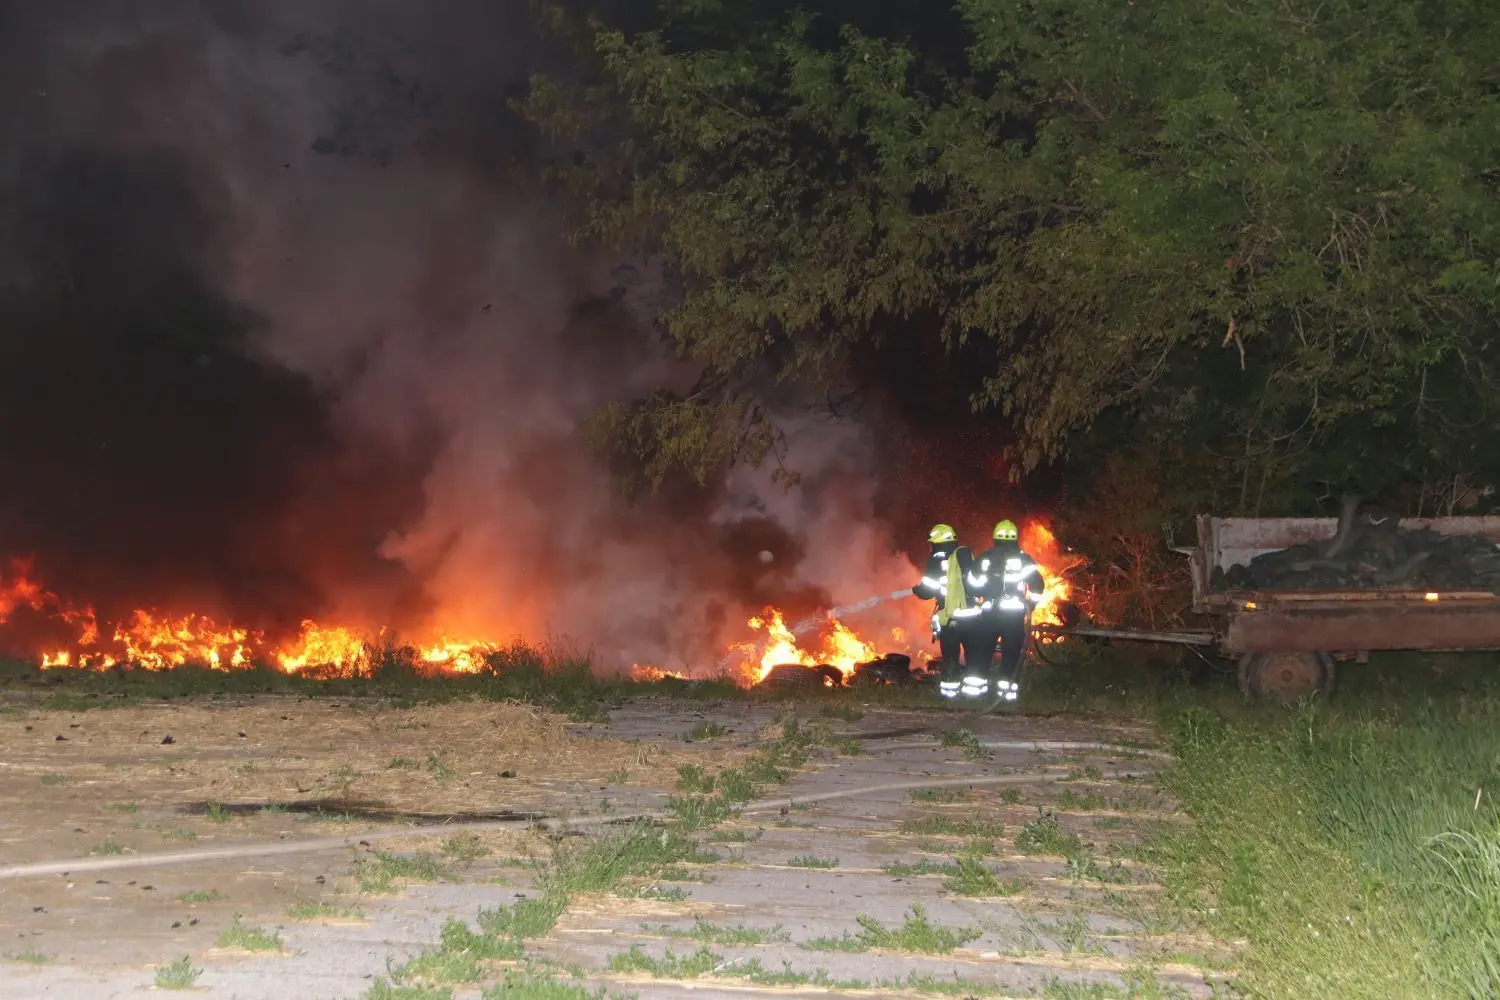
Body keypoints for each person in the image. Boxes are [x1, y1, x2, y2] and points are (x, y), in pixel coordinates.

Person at [969, 519, 1043, 702]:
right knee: (1011, 654)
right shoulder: (1024, 559)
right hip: (1013, 617)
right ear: (1015, 539)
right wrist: (1030, 605)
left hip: (989, 615)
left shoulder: (985, 557)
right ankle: (1006, 696)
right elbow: (1038, 586)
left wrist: (980, 594)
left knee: (981, 652)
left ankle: (974, 694)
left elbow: (971, 583)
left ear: (995, 538)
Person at [911, 523, 984, 699]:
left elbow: (927, 592)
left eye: (932, 543)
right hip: (972, 617)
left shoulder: (935, 562)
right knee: (973, 655)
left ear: (936, 543)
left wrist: (917, 590)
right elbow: (977, 586)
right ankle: (974, 695)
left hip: (949, 618)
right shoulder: (964, 555)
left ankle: (950, 694)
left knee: (950, 657)